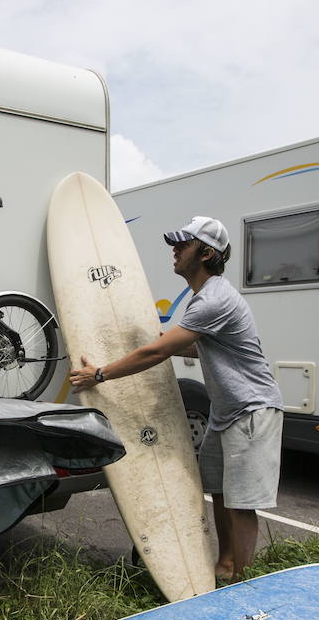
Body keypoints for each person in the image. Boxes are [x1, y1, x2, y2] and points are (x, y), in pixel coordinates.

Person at [68, 216, 283, 581]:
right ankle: (225, 565)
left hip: (251, 409)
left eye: (183, 244)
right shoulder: (205, 299)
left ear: (206, 254)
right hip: (225, 412)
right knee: (218, 492)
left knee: (242, 505)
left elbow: (157, 353)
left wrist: (100, 374)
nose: (175, 249)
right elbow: (204, 348)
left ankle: (244, 586)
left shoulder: (214, 299)